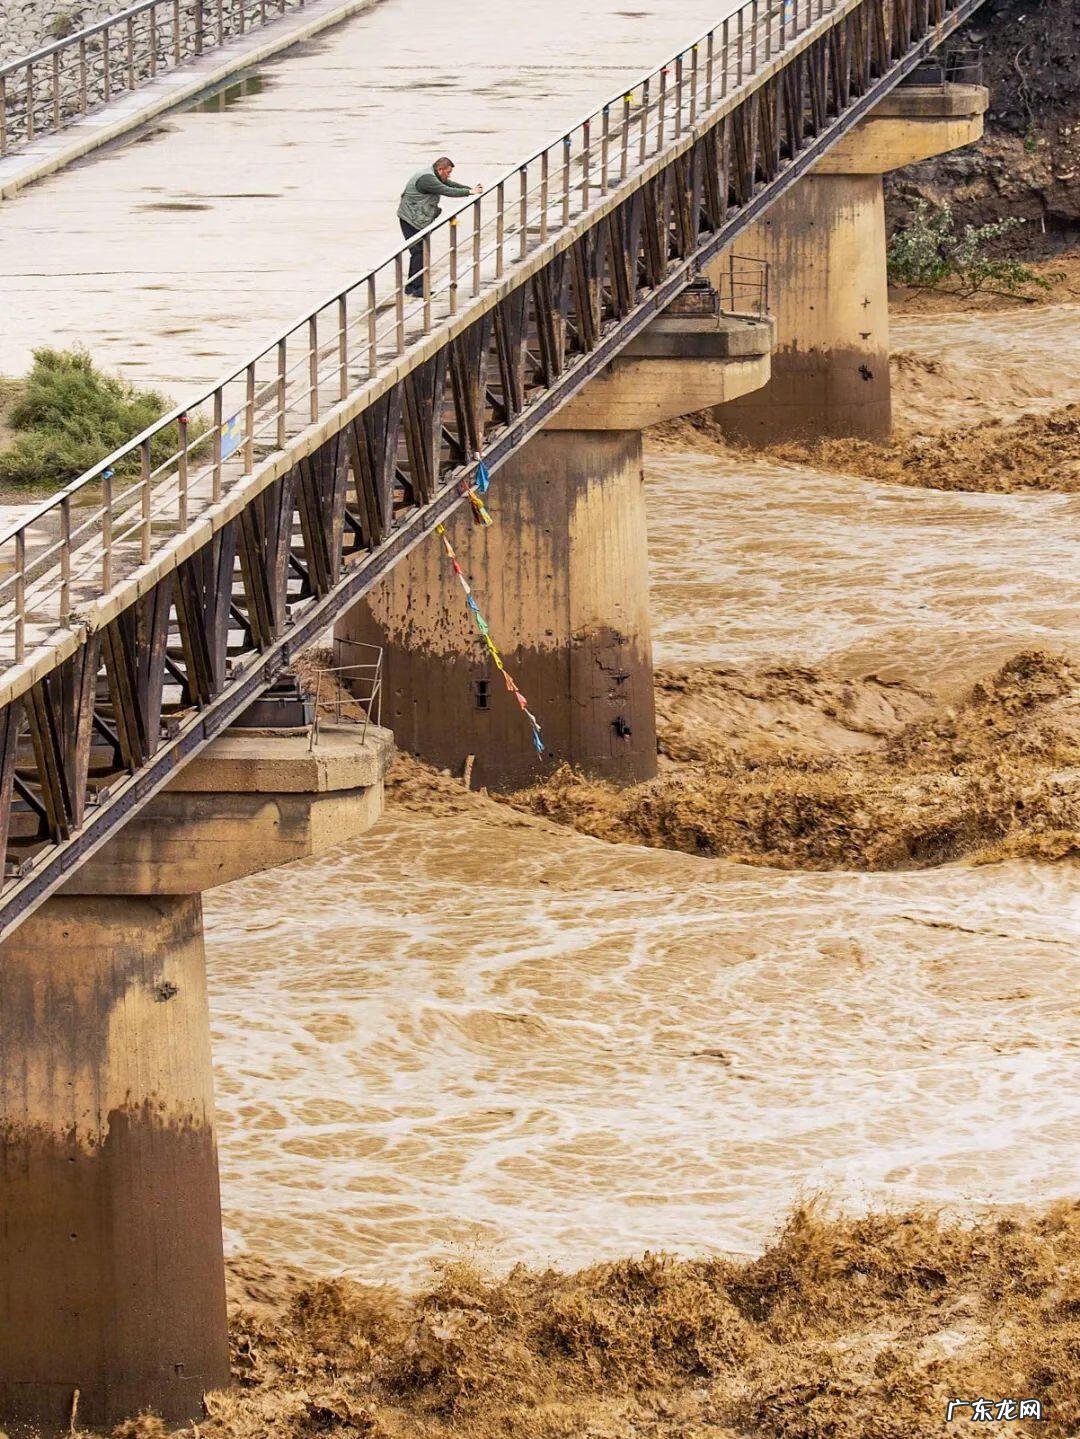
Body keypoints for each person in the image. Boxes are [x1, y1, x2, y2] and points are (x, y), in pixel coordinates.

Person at [398, 157, 482, 297]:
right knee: (419, 252)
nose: (448, 175)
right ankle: (418, 288)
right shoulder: (427, 179)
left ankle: (411, 287)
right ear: (440, 169)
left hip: (416, 218)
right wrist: (469, 192)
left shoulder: (434, 175)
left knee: (418, 252)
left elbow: (451, 184)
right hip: (410, 219)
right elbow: (446, 190)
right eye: (448, 172)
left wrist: (470, 189)